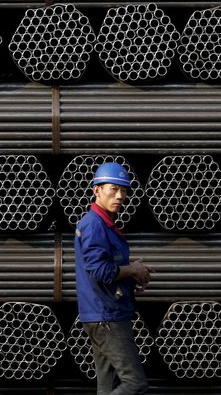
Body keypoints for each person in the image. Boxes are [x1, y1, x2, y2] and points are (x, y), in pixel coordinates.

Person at [74, 162, 153, 395]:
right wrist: (131, 271)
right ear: (96, 190)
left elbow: (109, 266)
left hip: (102, 315)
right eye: (113, 189)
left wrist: (132, 271)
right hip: (108, 318)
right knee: (134, 384)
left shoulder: (104, 224)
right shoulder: (94, 225)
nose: (120, 196)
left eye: (124, 190)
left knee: (106, 387)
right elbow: (100, 271)